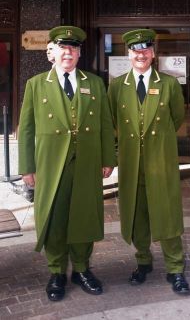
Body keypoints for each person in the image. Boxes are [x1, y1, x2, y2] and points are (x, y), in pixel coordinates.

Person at [18, 25, 116, 302]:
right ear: (52, 52)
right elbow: (25, 129)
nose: (68, 53)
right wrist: (27, 166)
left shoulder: (94, 83)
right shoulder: (36, 84)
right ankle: (57, 271)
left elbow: (106, 125)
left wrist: (109, 158)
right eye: (63, 48)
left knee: (84, 217)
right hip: (51, 164)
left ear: (79, 53)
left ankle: (82, 269)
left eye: (73, 48)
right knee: (55, 218)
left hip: (86, 163)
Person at [108, 28, 190, 295]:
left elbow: (177, 117)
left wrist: (158, 142)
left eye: (145, 50)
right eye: (135, 50)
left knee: (167, 214)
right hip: (131, 163)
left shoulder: (169, 84)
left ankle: (175, 268)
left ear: (153, 54)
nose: (140, 54)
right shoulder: (118, 85)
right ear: (128, 54)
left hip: (160, 161)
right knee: (136, 214)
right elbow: (112, 122)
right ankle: (143, 261)